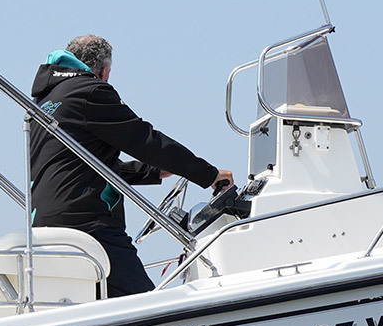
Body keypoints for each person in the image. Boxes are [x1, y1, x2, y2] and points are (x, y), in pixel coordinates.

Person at [28, 34, 234, 297]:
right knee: (148, 308)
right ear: (104, 70)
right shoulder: (90, 91)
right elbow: (144, 139)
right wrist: (208, 174)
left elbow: (84, 165)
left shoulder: (44, 104)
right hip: (89, 224)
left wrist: (154, 171)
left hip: (46, 224)